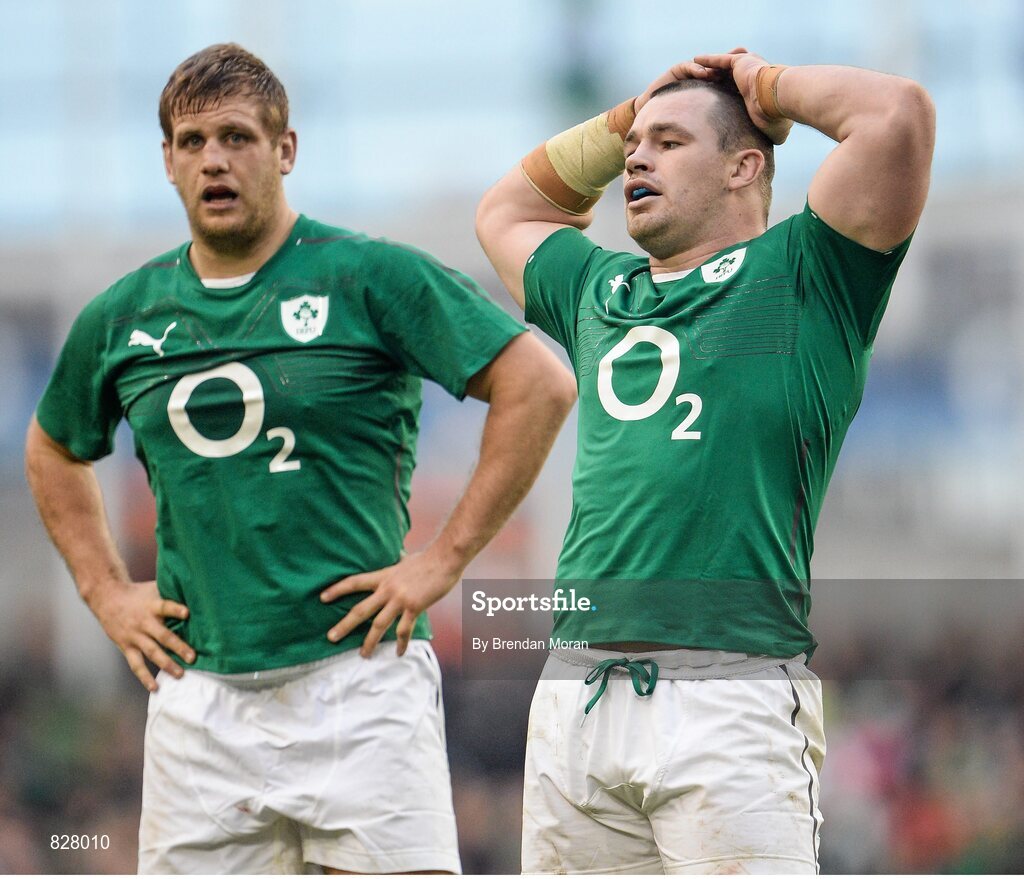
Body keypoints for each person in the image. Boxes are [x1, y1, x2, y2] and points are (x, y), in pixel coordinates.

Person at [25, 43, 576, 875]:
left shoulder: (367, 276)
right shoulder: (123, 315)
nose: (214, 158)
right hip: (199, 699)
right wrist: (104, 590)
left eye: (238, 137)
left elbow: (538, 383)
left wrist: (442, 561)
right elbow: (54, 447)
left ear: (285, 150)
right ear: (168, 161)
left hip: (361, 686)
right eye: (192, 140)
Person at [477, 48, 934, 873]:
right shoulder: (598, 292)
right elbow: (507, 213)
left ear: (744, 166)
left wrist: (767, 86)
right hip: (576, 692)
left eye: (669, 141)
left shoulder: (808, 274)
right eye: (632, 148)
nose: (637, 159)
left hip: (731, 695)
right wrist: (622, 118)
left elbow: (897, 117)